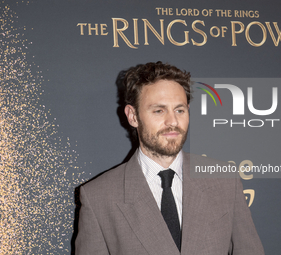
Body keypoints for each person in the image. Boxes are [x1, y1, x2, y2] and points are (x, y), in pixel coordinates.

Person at [75, 61, 265, 255]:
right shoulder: (99, 197)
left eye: (179, 110)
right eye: (159, 110)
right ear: (132, 116)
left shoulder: (224, 180)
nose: (173, 121)